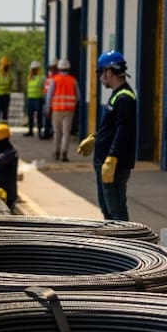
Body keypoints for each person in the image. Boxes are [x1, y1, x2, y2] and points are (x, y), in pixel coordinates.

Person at [77, 50, 136, 221]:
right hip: (106, 162)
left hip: (113, 164)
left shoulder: (124, 98)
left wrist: (112, 157)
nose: (100, 77)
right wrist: (96, 137)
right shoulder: (117, 95)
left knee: (116, 211)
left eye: (100, 72)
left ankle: (123, 244)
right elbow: (112, 127)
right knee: (107, 210)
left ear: (109, 72)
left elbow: (123, 131)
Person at [49, 58, 80, 162]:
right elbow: (78, 96)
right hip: (69, 111)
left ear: (59, 68)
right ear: (68, 68)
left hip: (57, 110)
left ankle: (56, 153)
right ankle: (64, 154)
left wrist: (47, 108)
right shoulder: (73, 80)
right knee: (66, 133)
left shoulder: (55, 80)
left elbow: (49, 96)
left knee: (57, 132)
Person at [24, 60, 45, 136]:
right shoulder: (29, 78)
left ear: (38, 69)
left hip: (38, 99)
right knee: (30, 115)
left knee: (39, 115)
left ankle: (39, 131)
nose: (33, 70)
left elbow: (44, 88)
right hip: (30, 99)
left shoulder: (41, 78)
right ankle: (30, 131)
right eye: (32, 69)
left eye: (35, 69)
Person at [40, 60, 57, 140]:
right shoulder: (49, 78)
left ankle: (49, 133)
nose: (51, 70)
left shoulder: (55, 78)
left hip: (53, 102)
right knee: (47, 118)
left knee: (51, 119)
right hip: (47, 101)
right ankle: (47, 132)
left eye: (52, 68)